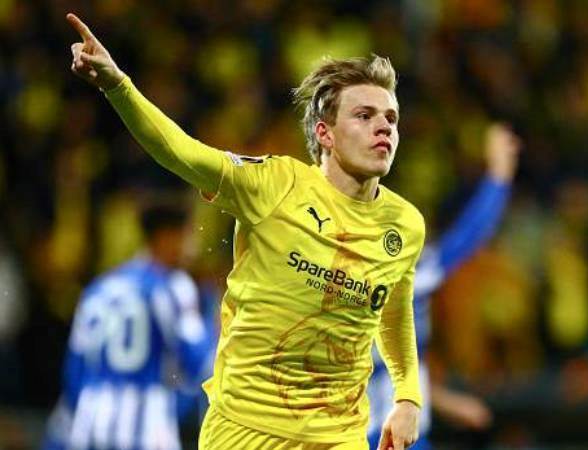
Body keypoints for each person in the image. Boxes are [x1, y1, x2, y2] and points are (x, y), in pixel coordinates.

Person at [67, 13, 424, 450]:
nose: (384, 126)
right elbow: (180, 152)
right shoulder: (274, 184)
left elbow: (394, 312)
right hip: (244, 431)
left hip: (339, 437)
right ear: (325, 134)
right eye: (364, 115)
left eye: (391, 118)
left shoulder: (405, 224)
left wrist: (408, 396)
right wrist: (117, 86)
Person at [367, 124, 521, 449]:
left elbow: (389, 371)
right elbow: (467, 237)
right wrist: (499, 175)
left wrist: (447, 403)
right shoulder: (398, 273)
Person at [41, 201, 214, 450]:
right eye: (187, 237)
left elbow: (75, 368)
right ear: (165, 237)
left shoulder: (98, 288)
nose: (192, 249)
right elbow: (200, 361)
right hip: (146, 430)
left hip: (89, 425)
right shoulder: (173, 286)